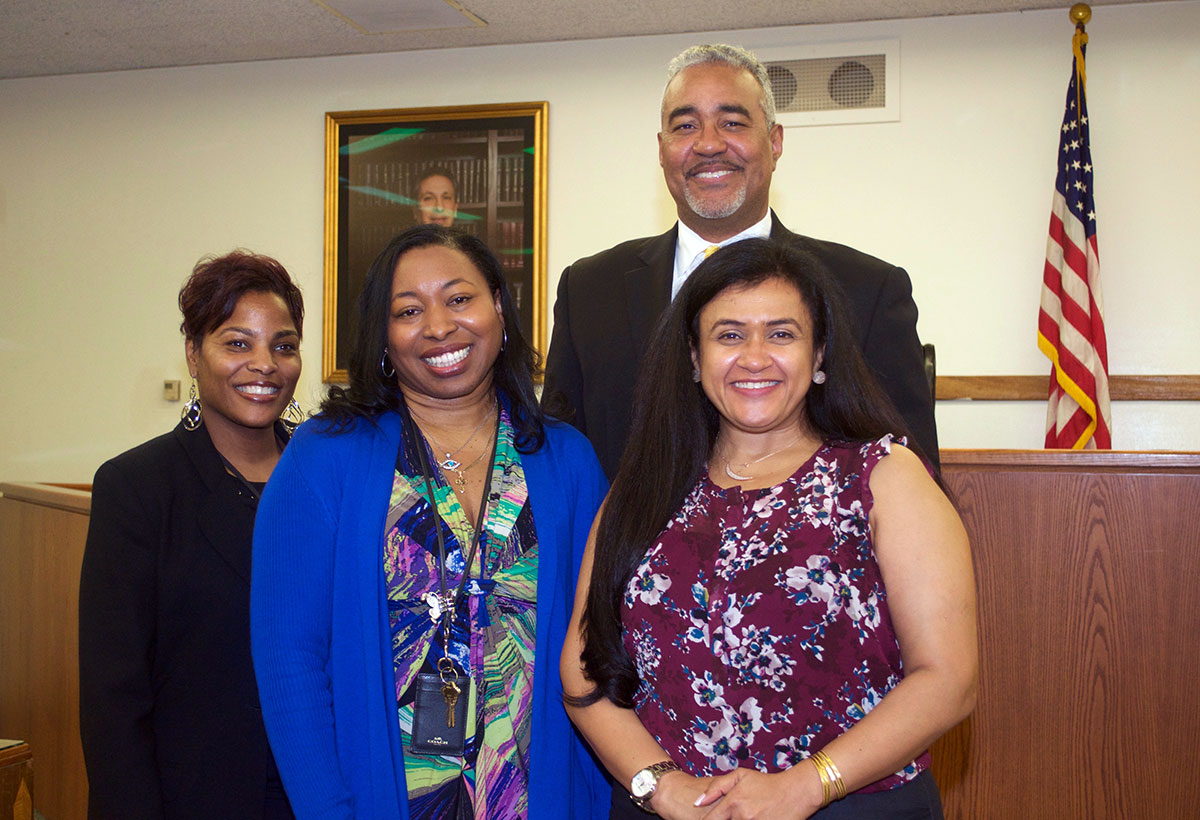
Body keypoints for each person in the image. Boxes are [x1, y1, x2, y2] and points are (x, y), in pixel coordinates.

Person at [561, 239, 977, 819]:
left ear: (820, 353)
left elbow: (948, 678)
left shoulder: (883, 476)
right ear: (693, 356)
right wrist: (662, 786)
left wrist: (806, 785)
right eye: (729, 335)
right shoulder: (642, 489)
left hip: (850, 805)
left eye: (781, 333)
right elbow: (584, 671)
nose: (754, 356)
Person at [250, 225, 608, 820]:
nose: (439, 326)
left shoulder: (567, 460)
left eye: (459, 298)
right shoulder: (325, 456)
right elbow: (290, 661)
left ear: (498, 304)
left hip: (538, 794)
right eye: (408, 310)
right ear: (383, 337)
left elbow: (602, 645)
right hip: (381, 798)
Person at [544, 44, 938, 479]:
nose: (708, 144)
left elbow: (912, 473)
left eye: (732, 122)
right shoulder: (589, 290)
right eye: (686, 125)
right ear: (662, 149)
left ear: (774, 142)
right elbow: (560, 466)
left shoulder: (868, 290)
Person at [79, 250, 305, 820]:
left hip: (318, 796)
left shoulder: (325, 480)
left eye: (283, 345)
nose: (264, 365)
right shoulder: (137, 487)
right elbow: (113, 698)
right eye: (236, 343)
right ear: (192, 353)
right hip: (190, 798)